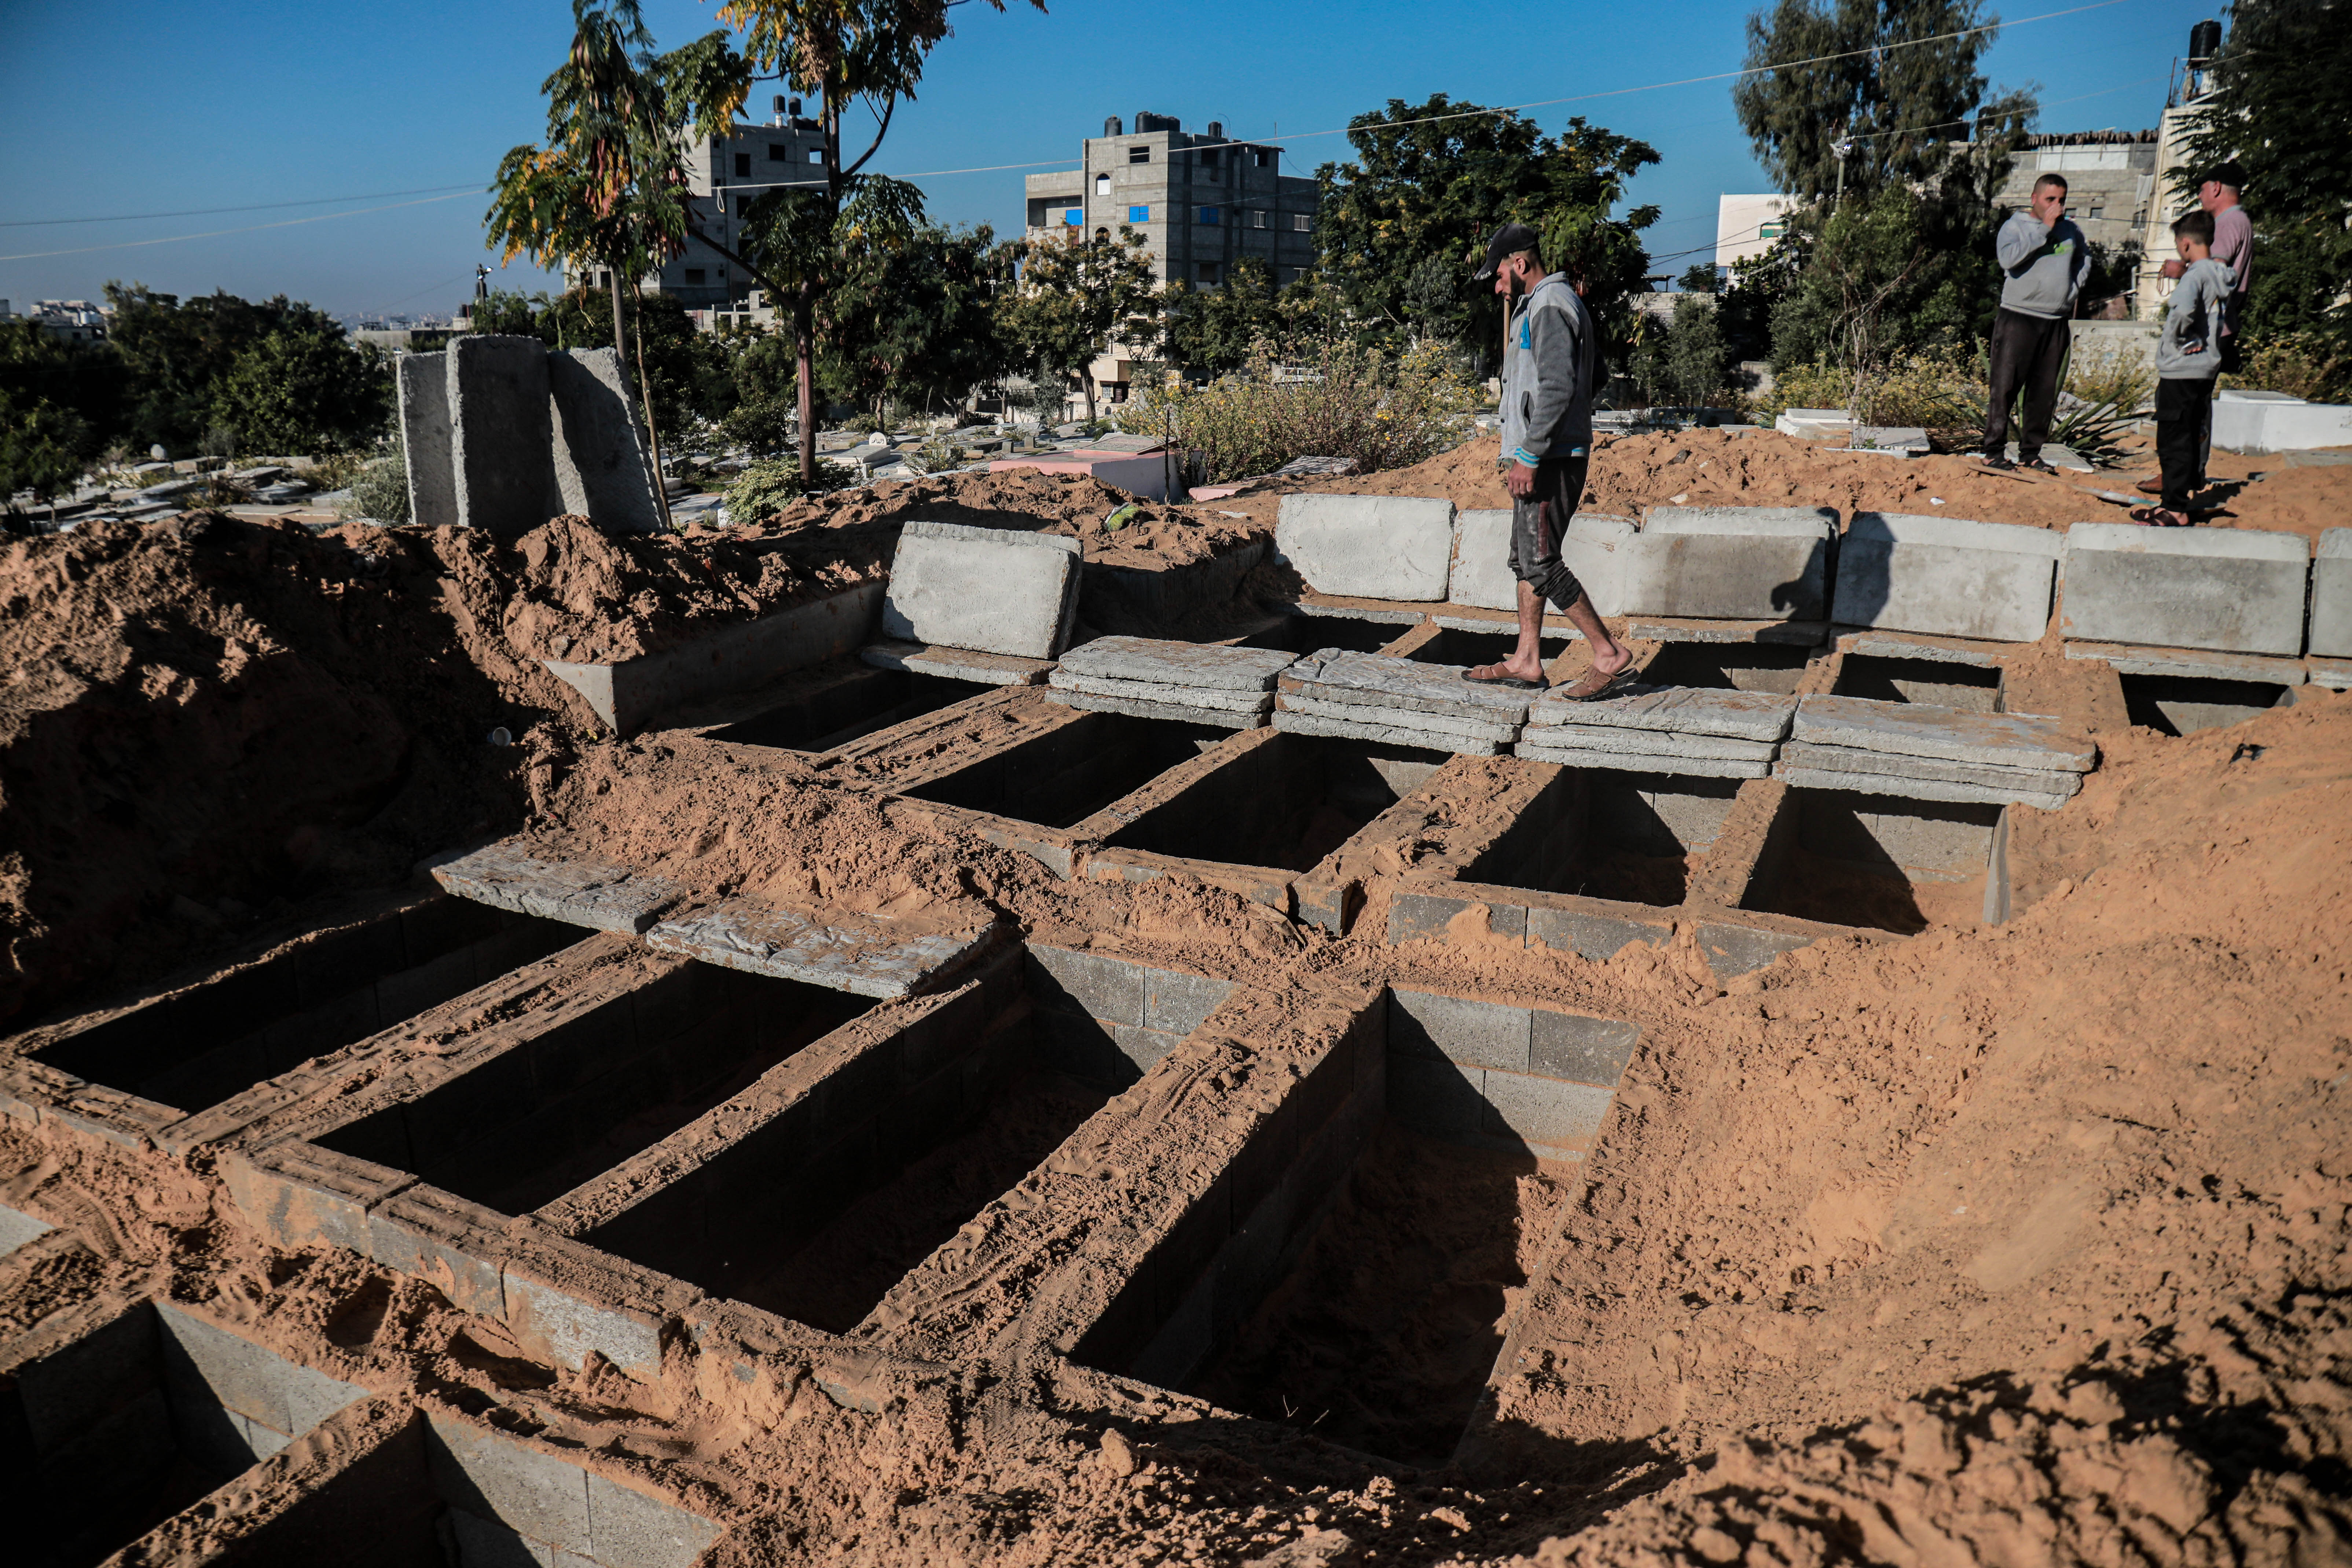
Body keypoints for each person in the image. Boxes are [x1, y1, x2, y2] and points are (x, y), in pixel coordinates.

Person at [1463, 221, 1635, 700]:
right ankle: (1526, 659)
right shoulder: (1541, 306)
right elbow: (1591, 375)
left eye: (1497, 276)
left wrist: (1533, 452)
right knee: (1524, 561)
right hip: (1546, 451)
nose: (1496, 287)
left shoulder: (1550, 306)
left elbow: (1559, 387)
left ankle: (1607, 653)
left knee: (1541, 561)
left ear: (1519, 265)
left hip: (1551, 457)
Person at [2141, 160, 2253, 496]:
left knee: (2181, 414)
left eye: (2203, 189)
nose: (2201, 196)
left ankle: (2179, 477)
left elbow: (2211, 277)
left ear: (2216, 187)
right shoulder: (2240, 221)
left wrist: (2185, 269)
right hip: (2215, 333)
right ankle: (2185, 474)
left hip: (2201, 339)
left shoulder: (2229, 223)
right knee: (2194, 410)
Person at [1982, 173, 2092, 473]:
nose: (2057, 206)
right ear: (2035, 199)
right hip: (2018, 316)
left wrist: (2073, 288)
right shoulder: (2015, 227)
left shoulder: (2071, 230)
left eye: (2061, 200)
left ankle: (2030, 453)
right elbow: (2008, 260)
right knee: (2004, 386)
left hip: (2055, 320)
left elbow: (2084, 258)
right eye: (2050, 200)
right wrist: (2044, 229)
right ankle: (1993, 451)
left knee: (2043, 393)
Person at [2137, 209, 2236, 526]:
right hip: (2204, 369)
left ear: (2184, 244)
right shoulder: (2218, 275)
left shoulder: (2194, 277)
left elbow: (2181, 310)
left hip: (2181, 371)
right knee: (2191, 435)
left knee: (2173, 440)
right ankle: (2176, 500)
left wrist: (2181, 337)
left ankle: (2175, 508)